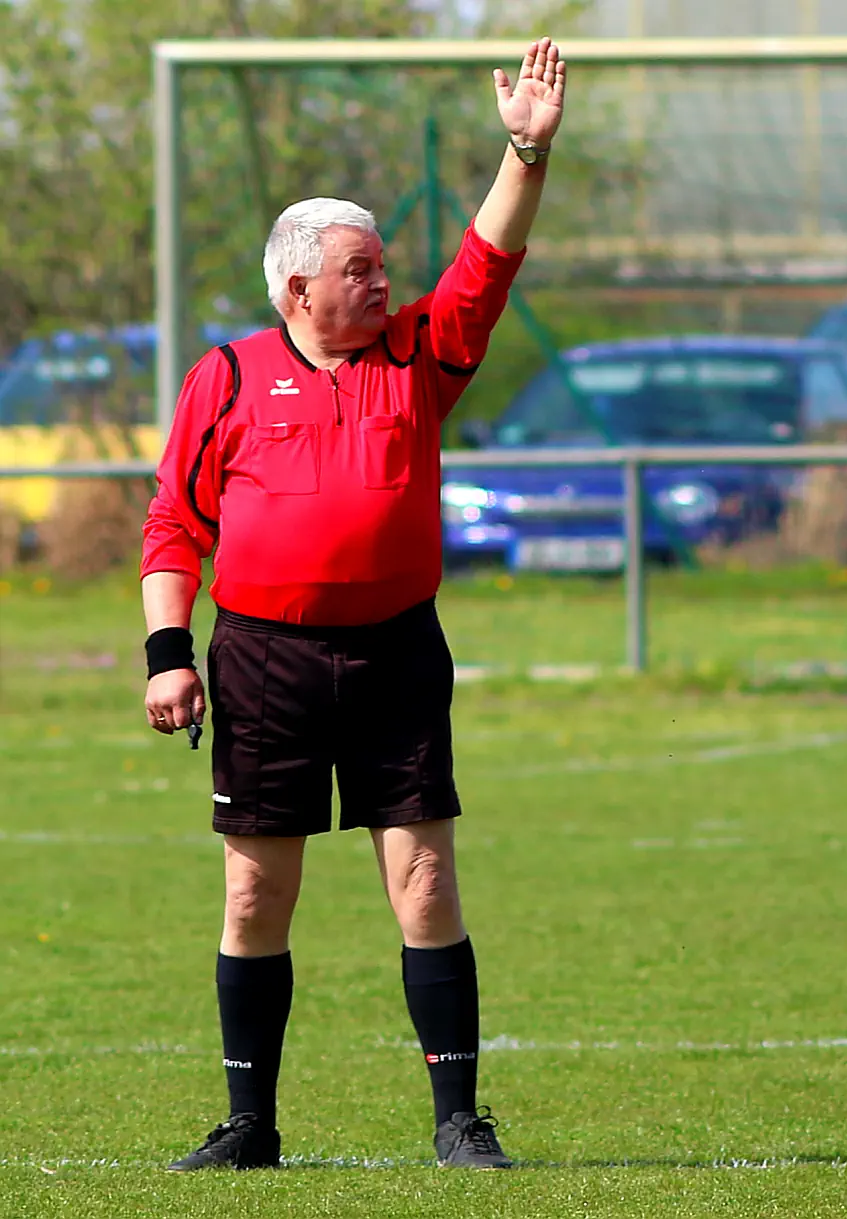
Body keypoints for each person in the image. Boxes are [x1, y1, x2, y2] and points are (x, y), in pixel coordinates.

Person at [139, 38, 567, 1171]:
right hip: (262, 660)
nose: (383, 282)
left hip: (395, 654)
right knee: (253, 893)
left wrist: (524, 152)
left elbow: (487, 261)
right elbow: (174, 524)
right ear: (298, 288)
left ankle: (459, 1120)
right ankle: (250, 1125)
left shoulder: (419, 354)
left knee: (425, 878)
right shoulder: (227, 376)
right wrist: (168, 651)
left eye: (383, 266)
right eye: (361, 269)